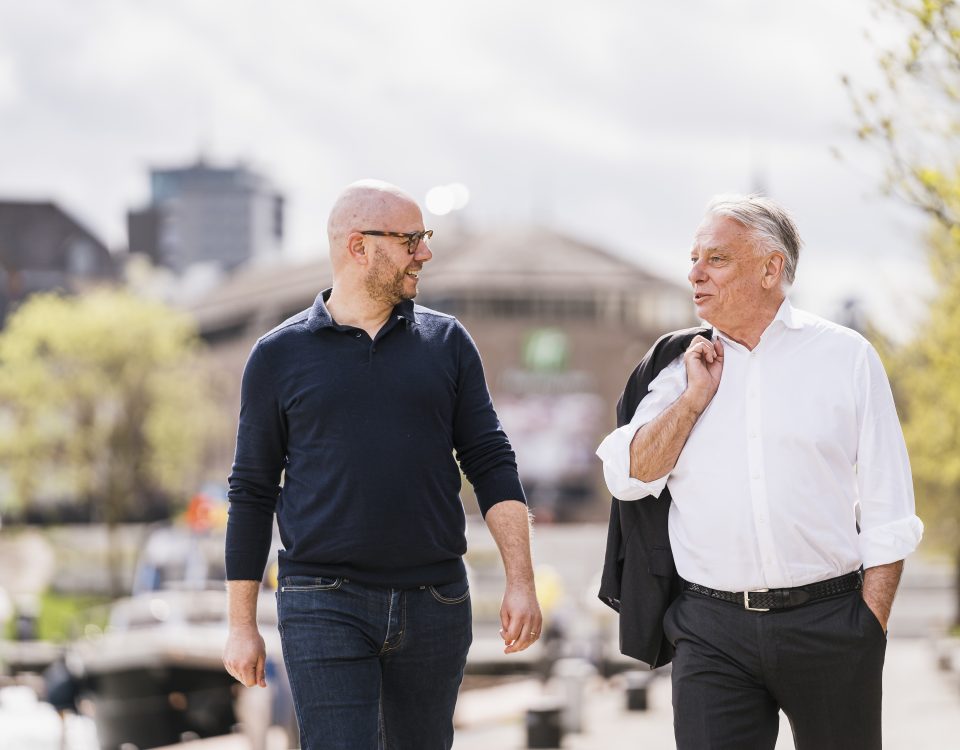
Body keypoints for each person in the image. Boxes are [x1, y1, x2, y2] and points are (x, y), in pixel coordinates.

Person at [222, 180, 541, 750]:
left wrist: (522, 582)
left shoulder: (448, 343)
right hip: (322, 600)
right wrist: (241, 625)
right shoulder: (276, 356)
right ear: (358, 246)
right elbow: (251, 492)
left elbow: (492, 461)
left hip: (437, 602)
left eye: (425, 238)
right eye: (411, 239)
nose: (426, 253)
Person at [596, 194, 922, 750]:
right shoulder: (678, 367)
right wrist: (693, 402)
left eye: (716, 259)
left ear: (772, 269)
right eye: (694, 257)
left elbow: (889, 505)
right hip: (709, 630)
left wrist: (868, 624)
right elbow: (628, 477)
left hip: (830, 625)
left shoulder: (846, 357)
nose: (695, 273)